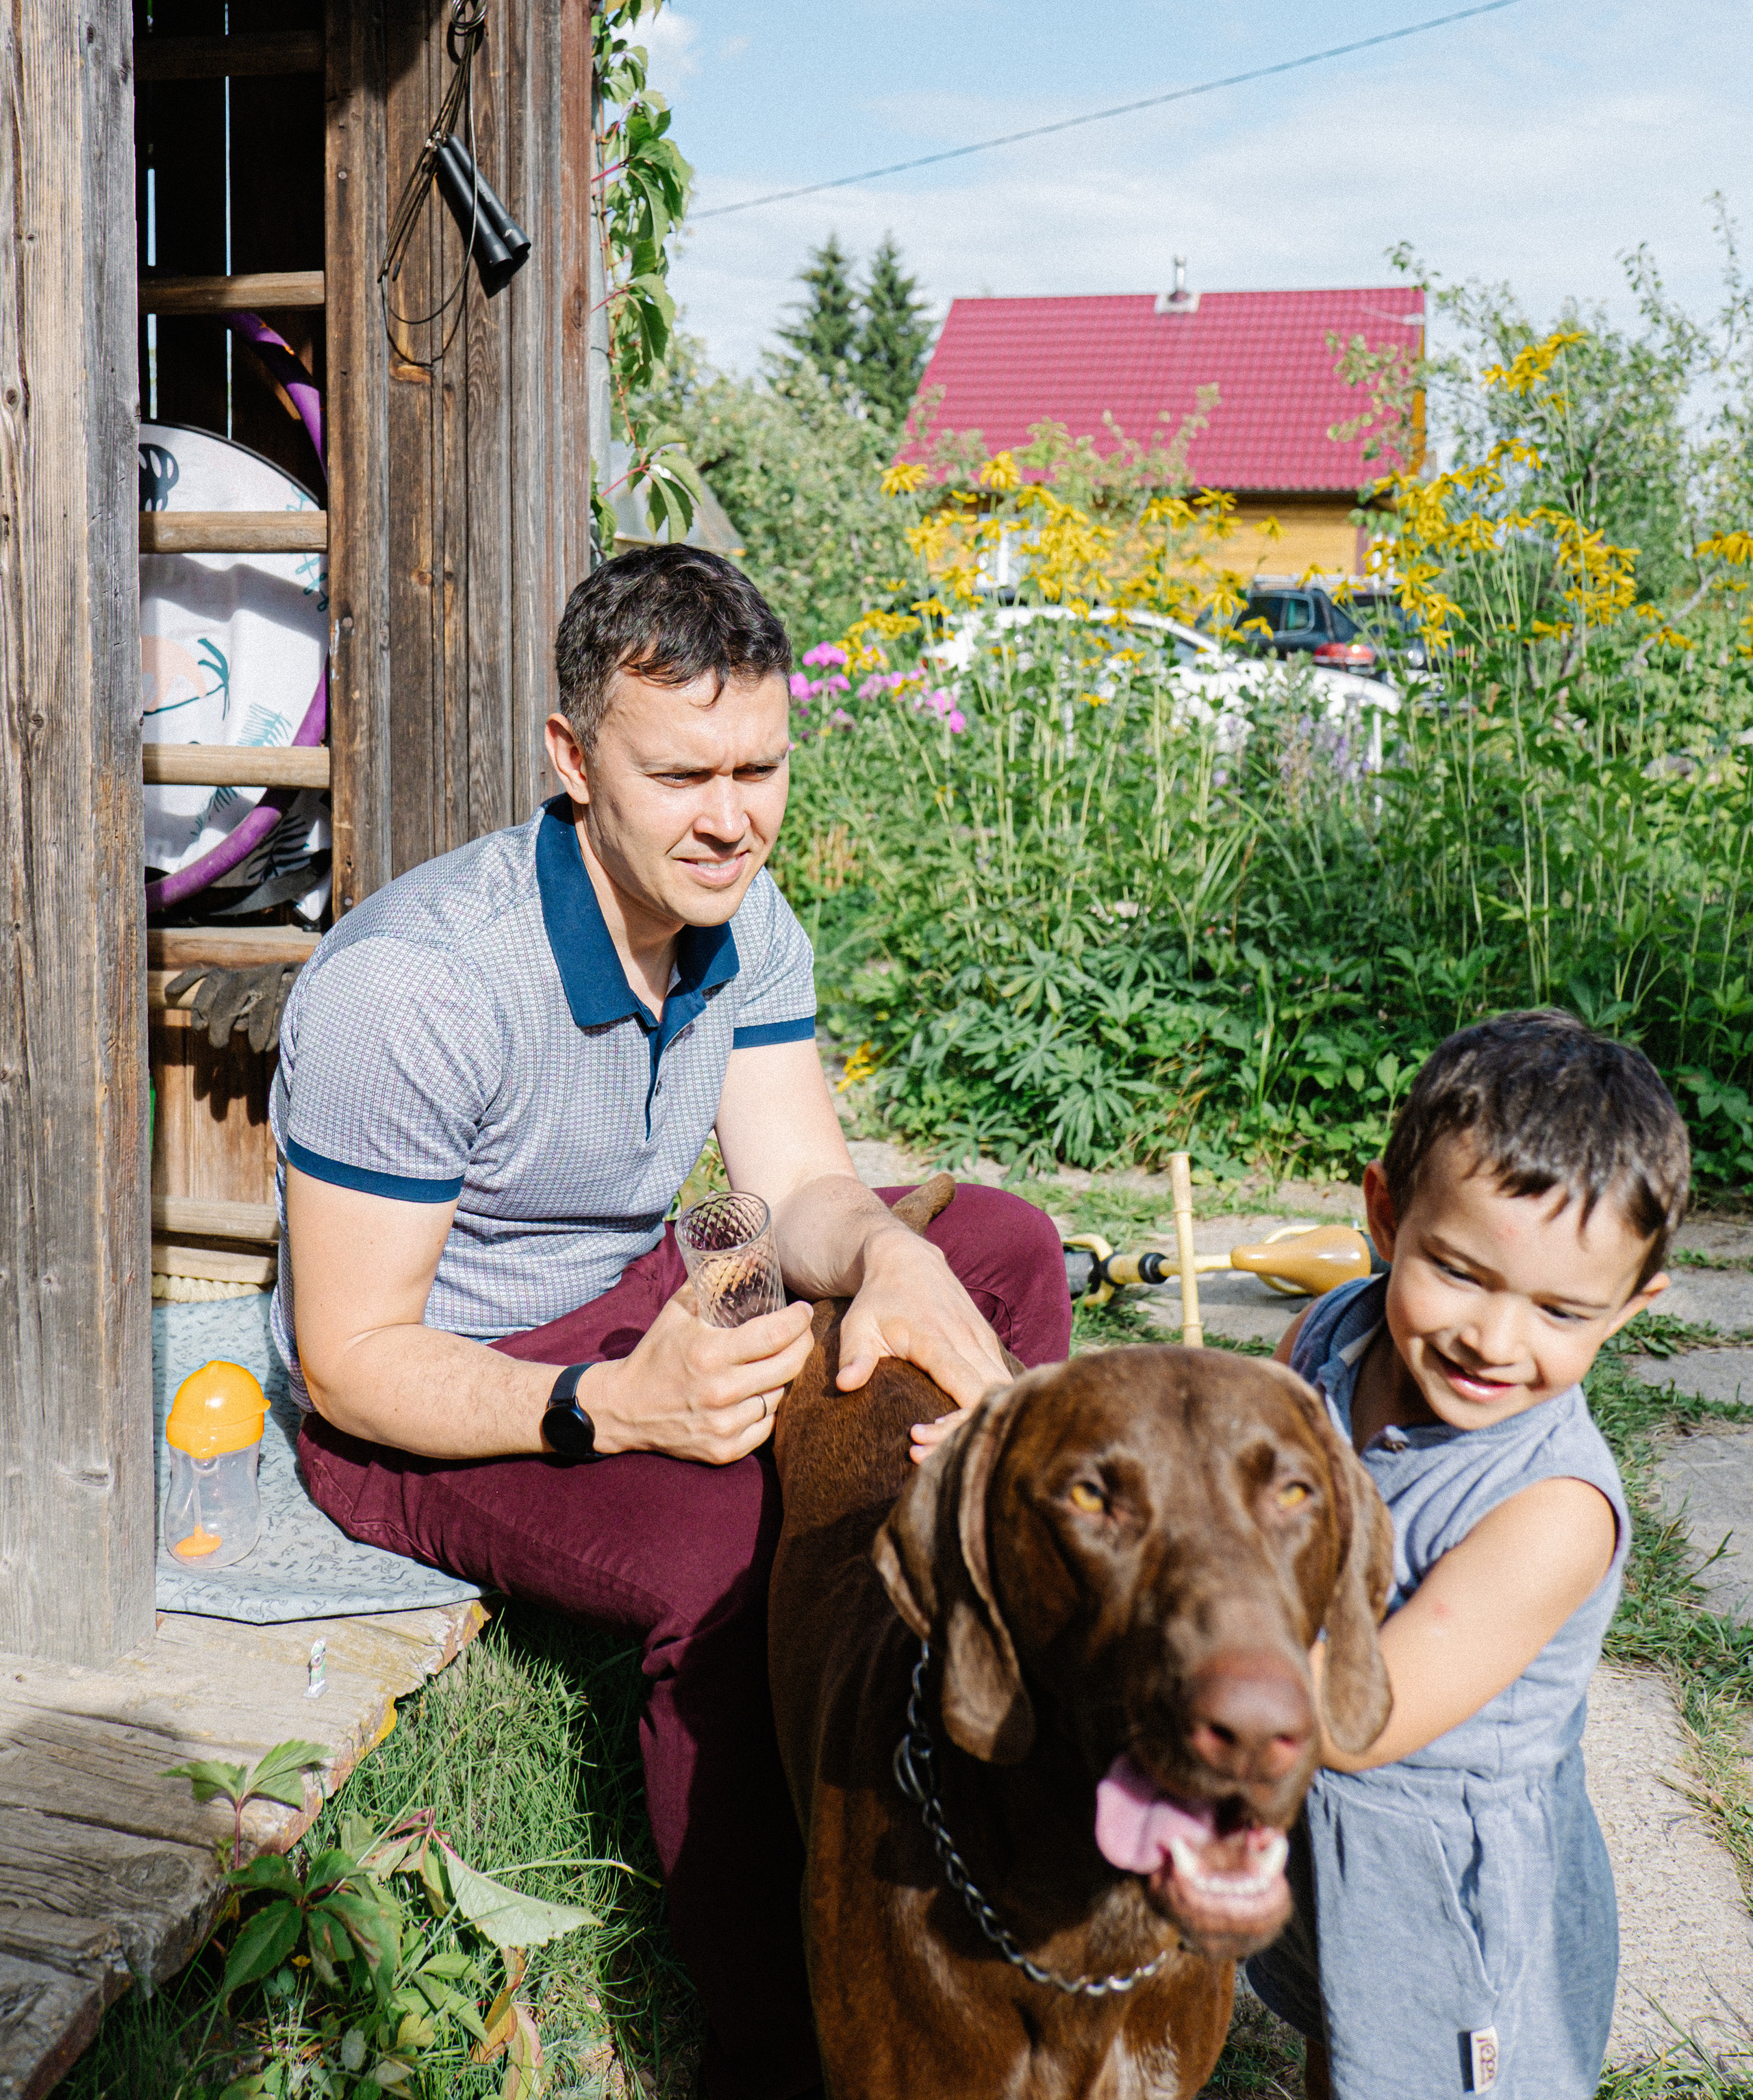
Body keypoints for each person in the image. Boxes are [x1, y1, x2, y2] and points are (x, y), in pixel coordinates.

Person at [269, 545, 1070, 2100]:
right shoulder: (414, 989)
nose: (731, 815)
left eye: (759, 766)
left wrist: (885, 1260)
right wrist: (610, 1410)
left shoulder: (741, 916)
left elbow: (797, 1184)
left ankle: (983, 1694)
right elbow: (347, 1361)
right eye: (684, 772)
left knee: (997, 1243)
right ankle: (783, 2035)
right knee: (720, 1555)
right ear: (572, 761)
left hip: (646, 1285)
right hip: (451, 1386)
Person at [1247, 1009, 1687, 2100]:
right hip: (1323, 1831)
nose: (1494, 1339)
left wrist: (1162, 1673)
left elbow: (1363, 1718)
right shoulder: (1332, 1338)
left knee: (1426, 2072)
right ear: (1385, 1217)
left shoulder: (1553, 1511)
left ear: (1633, 1308)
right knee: (1345, 2044)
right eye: (1458, 1272)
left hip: (1447, 1884)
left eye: (1559, 1310)